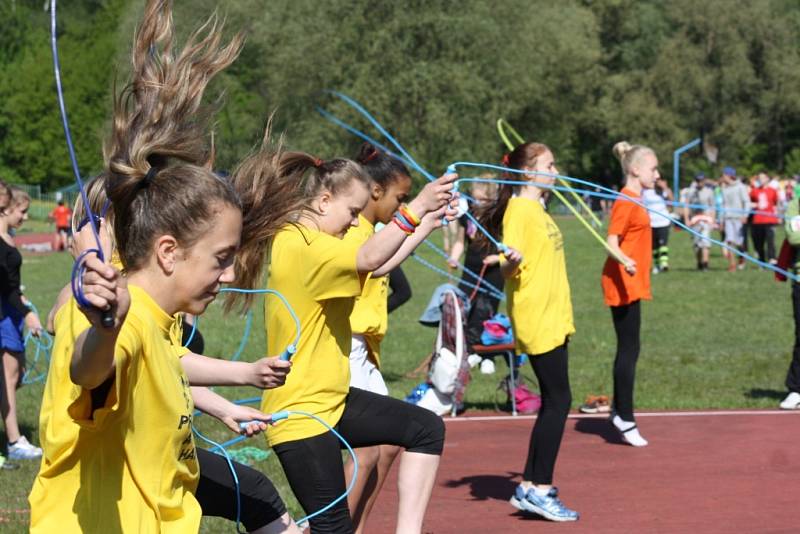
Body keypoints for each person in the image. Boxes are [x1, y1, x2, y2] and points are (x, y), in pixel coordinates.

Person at [29, 3, 301, 531]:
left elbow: (167, 365)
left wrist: (236, 385)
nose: (228, 276)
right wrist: (105, 328)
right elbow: (87, 369)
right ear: (170, 251)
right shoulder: (119, 319)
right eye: (221, 260)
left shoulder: (158, 323)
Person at [226, 141, 455, 533]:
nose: (355, 222)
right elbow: (369, 257)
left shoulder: (326, 238)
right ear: (323, 200)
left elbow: (377, 262)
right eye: (352, 212)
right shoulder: (300, 245)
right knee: (334, 529)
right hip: (300, 413)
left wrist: (427, 222)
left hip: (331, 399)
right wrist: (415, 208)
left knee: (425, 429)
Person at [476, 142, 579, 522]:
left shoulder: (538, 207)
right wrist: (508, 262)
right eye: (549, 165)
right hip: (538, 316)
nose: (555, 170)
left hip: (554, 314)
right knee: (559, 400)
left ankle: (532, 486)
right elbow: (507, 267)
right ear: (527, 172)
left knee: (556, 400)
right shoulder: (520, 210)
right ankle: (538, 488)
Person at [601, 141, 659, 448]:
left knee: (630, 347)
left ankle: (617, 410)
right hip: (622, 282)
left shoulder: (637, 198)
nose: (657, 173)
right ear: (635, 169)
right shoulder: (626, 200)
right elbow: (610, 241)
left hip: (632, 282)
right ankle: (625, 416)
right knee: (628, 349)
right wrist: (625, 260)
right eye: (653, 168)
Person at [0, 187, 44, 462]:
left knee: (15, 376)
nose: (25, 217)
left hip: (13, 310)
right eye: (22, 211)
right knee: (8, 377)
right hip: (6, 313)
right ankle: (14, 441)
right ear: (6, 207)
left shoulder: (9, 237)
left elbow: (11, 283)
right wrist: (27, 312)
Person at [448, 179, 504, 373]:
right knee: (465, 309)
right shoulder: (468, 216)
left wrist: (498, 258)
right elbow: (460, 242)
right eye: (475, 197)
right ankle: (470, 350)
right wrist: (454, 258)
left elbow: (510, 245)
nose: (477, 201)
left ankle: (487, 356)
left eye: (483, 198)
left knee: (486, 312)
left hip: (493, 272)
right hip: (470, 270)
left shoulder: (497, 217)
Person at [683, 173, 715, 271]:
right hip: (695, 220)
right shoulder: (691, 191)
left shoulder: (709, 191)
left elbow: (712, 207)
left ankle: (706, 264)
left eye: (701, 180)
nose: (699, 183)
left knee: (705, 242)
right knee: (697, 244)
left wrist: (712, 220)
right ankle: (699, 262)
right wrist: (686, 219)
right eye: (697, 181)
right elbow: (686, 206)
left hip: (706, 219)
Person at [720, 167, 750, 272]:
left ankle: (742, 256)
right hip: (728, 218)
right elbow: (723, 205)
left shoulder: (740, 187)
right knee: (729, 240)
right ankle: (732, 264)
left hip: (738, 218)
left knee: (739, 242)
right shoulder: (724, 188)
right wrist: (721, 220)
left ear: (729, 175)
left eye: (724, 175)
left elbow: (746, 201)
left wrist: (745, 215)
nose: (722, 177)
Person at [642, 177, 672, 273]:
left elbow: (672, 201)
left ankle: (664, 263)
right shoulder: (645, 192)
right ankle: (656, 265)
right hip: (651, 222)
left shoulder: (662, 191)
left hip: (663, 221)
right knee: (654, 246)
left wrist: (665, 187)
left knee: (663, 243)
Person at [750, 172, 780, 264]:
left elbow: (775, 203)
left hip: (770, 219)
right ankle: (761, 260)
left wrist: (777, 215)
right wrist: (754, 205)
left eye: (763, 178)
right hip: (758, 220)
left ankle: (772, 259)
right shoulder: (754, 191)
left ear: (767, 179)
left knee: (770, 240)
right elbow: (750, 202)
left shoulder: (772, 190)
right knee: (759, 242)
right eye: (759, 178)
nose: (761, 180)